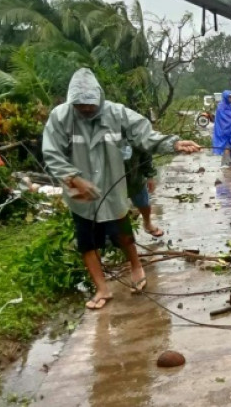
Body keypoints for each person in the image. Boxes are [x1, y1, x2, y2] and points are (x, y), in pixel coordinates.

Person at [42, 68, 200, 311]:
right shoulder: (60, 117)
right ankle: (102, 288)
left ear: (99, 98)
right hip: (81, 196)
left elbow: (144, 135)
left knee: (123, 234)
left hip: (112, 188)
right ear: (72, 101)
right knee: (87, 242)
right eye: (80, 105)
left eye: (90, 104)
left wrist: (173, 143)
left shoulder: (117, 113)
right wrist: (73, 178)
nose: (85, 109)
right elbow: (51, 153)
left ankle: (136, 268)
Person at [124, 144, 162, 238]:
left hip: (135, 177)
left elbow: (146, 154)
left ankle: (147, 222)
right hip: (110, 181)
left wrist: (150, 176)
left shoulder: (134, 135)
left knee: (144, 204)